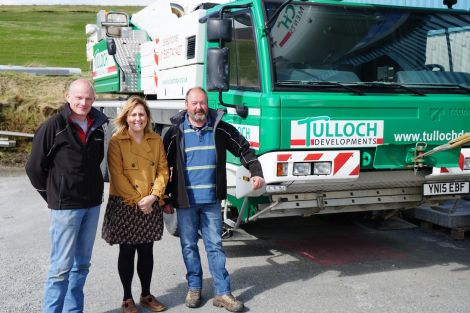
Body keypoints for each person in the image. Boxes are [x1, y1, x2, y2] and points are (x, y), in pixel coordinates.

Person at [163, 87, 265, 312]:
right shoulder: (174, 132)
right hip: (185, 202)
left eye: (202, 103)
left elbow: (243, 149)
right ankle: (194, 287)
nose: (199, 107)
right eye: (194, 103)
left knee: (215, 246)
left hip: (210, 201)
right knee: (189, 246)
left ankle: (223, 292)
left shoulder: (220, 128)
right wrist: (165, 197)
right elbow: (163, 166)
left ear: (207, 103)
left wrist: (256, 172)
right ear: (186, 104)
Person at [25, 79, 108, 313]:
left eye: (88, 98)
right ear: (67, 97)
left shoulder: (97, 126)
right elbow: (34, 168)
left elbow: (96, 162)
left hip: (91, 205)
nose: (84, 102)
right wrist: (52, 195)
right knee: (60, 268)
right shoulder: (53, 126)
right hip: (66, 208)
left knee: (81, 266)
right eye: (79, 97)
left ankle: (74, 311)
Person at [101, 96, 169, 313]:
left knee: (147, 250)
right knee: (127, 251)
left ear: (147, 117)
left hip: (150, 202)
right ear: (126, 117)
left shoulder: (156, 140)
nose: (138, 118)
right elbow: (117, 175)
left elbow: (162, 170)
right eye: (133, 114)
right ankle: (127, 298)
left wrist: (153, 197)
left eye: (141, 114)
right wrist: (141, 200)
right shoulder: (116, 141)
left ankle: (146, 295)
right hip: (126, 204)